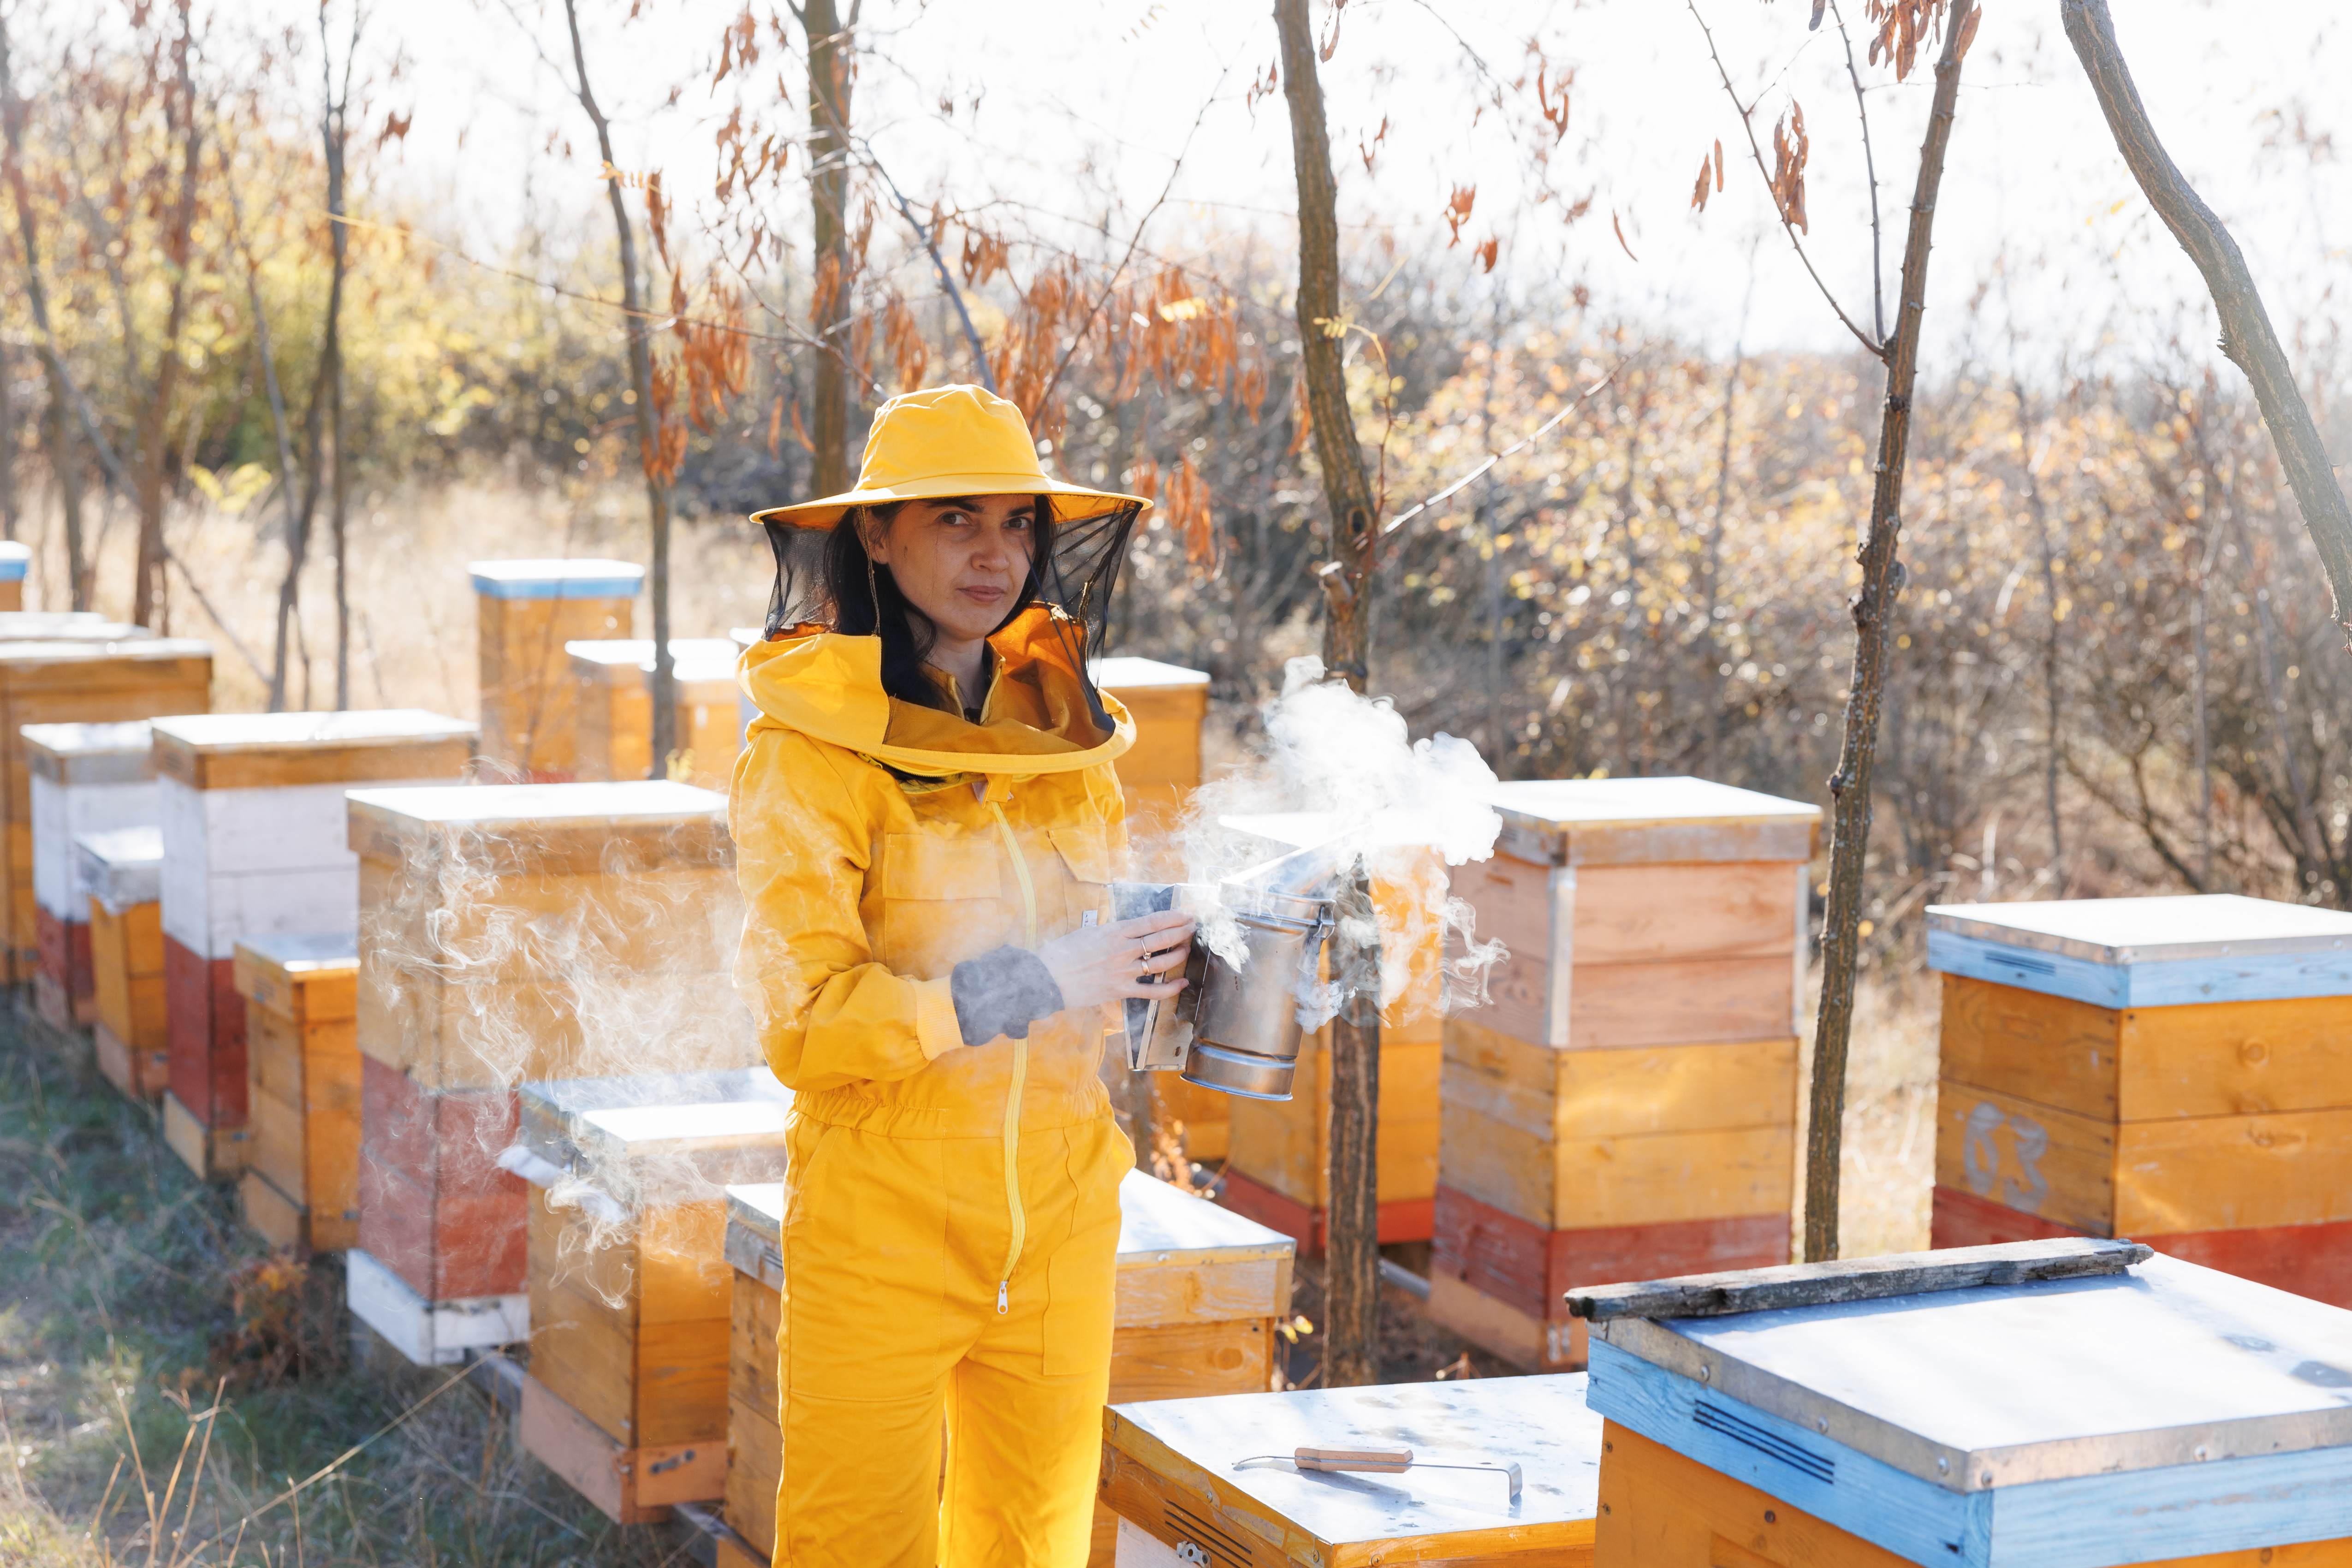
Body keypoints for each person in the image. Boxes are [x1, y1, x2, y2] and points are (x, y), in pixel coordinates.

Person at [731, 383, 1196, 1567]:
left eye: (1018, 522)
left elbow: (1096, 940)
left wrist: (1184, 958)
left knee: (1032, 1549)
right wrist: (1027, 980)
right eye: (955, 519)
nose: (996, 553)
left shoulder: (1062, 728)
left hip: (1061, 1212)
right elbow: (807, 1027)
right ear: (874, 536)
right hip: (879, 1222)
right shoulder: (806, 757)